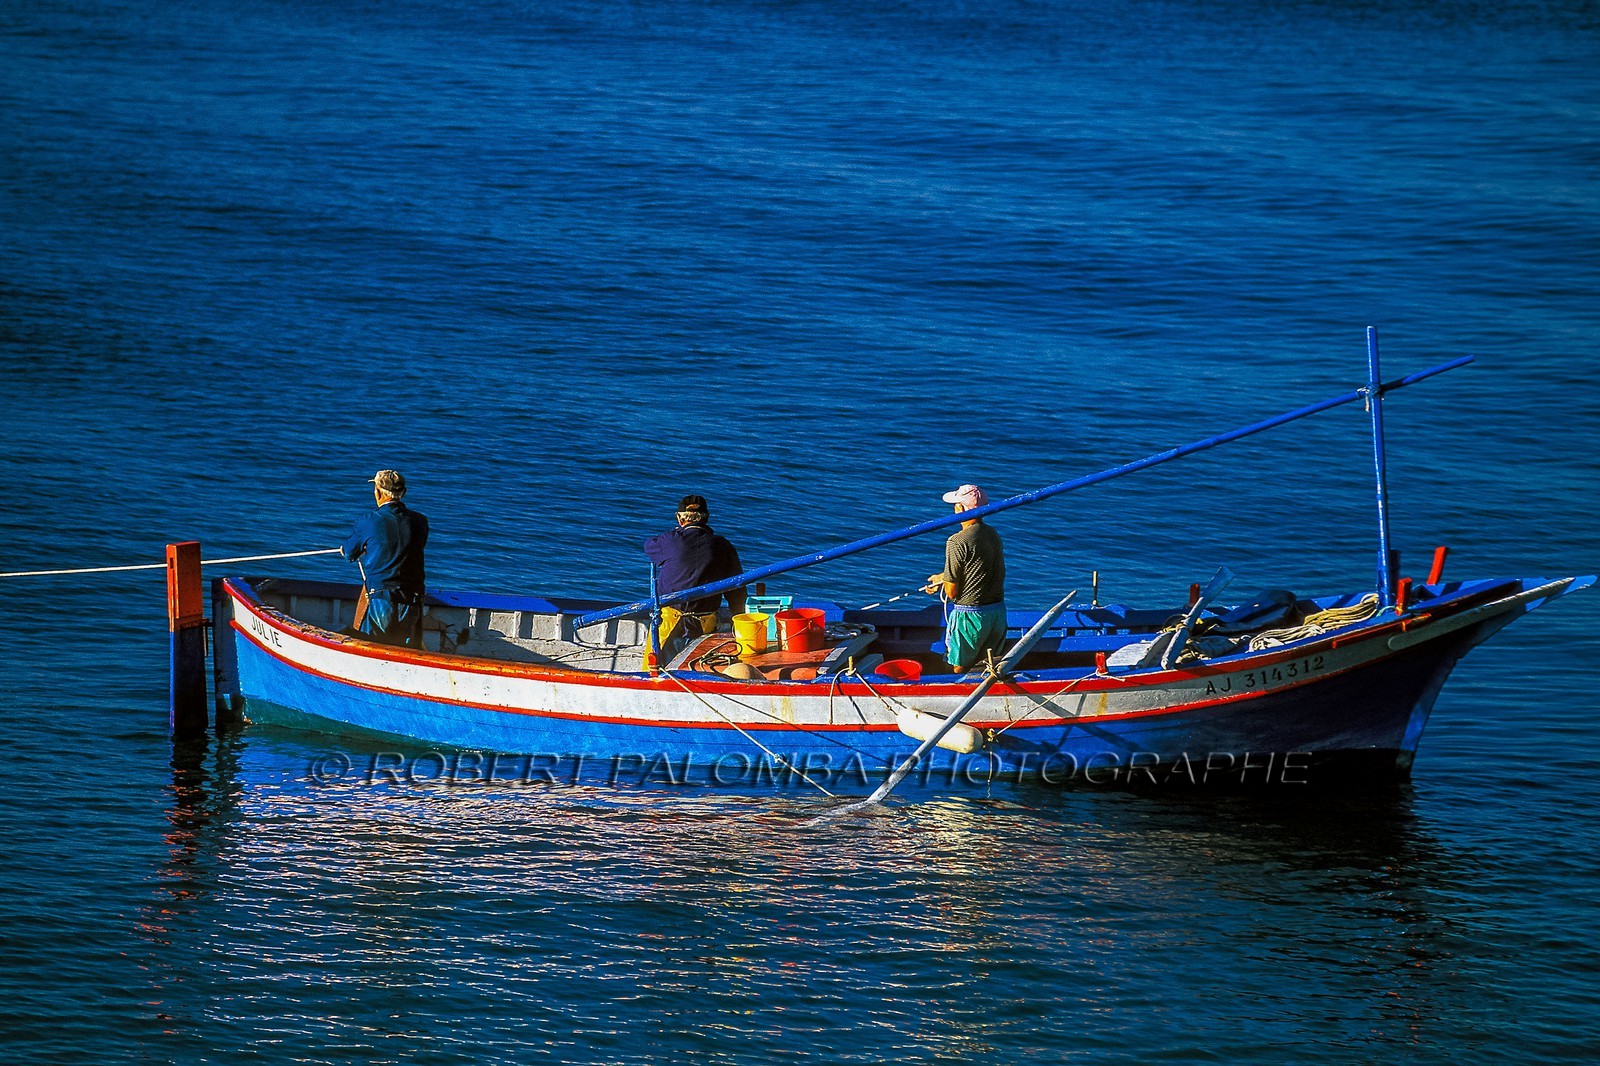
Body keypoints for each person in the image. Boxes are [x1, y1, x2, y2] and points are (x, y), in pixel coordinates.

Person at [643, 494, 746, 660]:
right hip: (704, 626)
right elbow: (737, 591)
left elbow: (648, 546)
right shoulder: (723, 545)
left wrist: (676, 533)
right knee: (699, 666)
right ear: (707, 518)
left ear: (679, 518)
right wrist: (738, 620)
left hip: (669, 624)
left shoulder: (670, 541)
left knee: (654, 670)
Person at [342, 469, 429, 648]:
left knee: (371, 648)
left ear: (378, 492)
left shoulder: (369, 520)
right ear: (403, 493)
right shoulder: (420, 521)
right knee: (407, 652)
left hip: (381, 599)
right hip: (412, 599)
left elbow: (350, 553)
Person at [925, 483, 1006, 673]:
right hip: (997, 611)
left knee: (958, 666)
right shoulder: (992, 534)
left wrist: (945, 583)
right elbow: (978, 568)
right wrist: (941, 577)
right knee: (989, 663)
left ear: (960, 508)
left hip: (970, 614)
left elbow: (952, 592)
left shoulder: (956, 541)